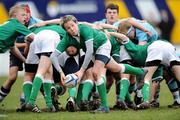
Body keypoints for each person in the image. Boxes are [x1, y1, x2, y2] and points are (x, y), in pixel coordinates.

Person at [50, 15, 147, 113]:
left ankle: (104, 106)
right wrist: (61, 72)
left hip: (103, 44)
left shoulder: (84, 29)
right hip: (93, 51)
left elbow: (89, 50)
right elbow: (53, 56)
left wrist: (81, 71)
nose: (72, 29)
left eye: (72, 25)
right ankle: (140, 71)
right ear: (65, 30)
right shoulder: (67, 38)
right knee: (116, 68)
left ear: (76, 23)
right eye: (68, 28)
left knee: (96, 72)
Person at [108, 30, 180, 109]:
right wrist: (151, 99)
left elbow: (123, 36)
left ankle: (144, 101)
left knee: (146, 78)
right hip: (169, 46)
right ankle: (177, 101)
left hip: (155, 47)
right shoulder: (159, 65)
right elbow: (155, 83)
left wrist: (109, 33)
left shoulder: (136, 49)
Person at [0, 4, 34, 102]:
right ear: (15, 16)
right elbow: (34, 38)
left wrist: (25, 61)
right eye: (23, 15)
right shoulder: (16, 24)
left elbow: (13, 48)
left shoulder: (9, 26)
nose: (26, 17)